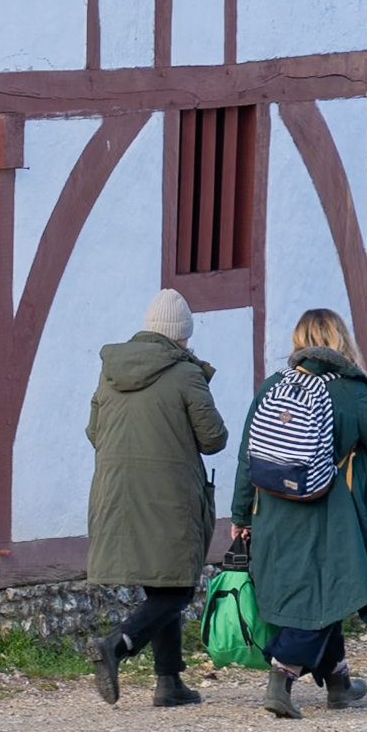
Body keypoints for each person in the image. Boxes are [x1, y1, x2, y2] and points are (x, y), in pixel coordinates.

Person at [229, 309, 367, 718]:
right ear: (341, 340)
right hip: (324, 512)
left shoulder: (274, 386)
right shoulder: (351, 390)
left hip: (272, 508)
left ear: (299, 340)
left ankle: (338, 682)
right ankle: (280, 676)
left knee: (324, 595)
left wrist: (241, 517)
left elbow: (246, 457)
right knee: (327, 593)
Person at [86, 289, 229, 708]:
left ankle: (169, 683)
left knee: (163, 584)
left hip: (115, 491)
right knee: (179, 588)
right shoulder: (186, 374)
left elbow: (95, 433)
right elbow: (213, 439)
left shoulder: (110, 370)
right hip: (168, 493)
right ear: (182, 336)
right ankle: (117, 644)